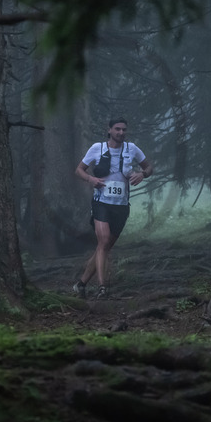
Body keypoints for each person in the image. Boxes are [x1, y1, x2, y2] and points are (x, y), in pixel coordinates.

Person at [73, 118, 153, 299]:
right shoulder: (97, 148)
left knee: (104, 247)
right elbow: (79, 170)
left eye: (124, 129)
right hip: (101, 203)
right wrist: (90, 179)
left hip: (121, 206)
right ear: (109, 130)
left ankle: (81, 284)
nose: (121, 132)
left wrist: (143, 174)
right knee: (103, 241)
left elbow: (149, 167)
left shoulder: (132, 149)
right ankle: (102, 288)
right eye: (117, 129)